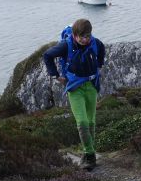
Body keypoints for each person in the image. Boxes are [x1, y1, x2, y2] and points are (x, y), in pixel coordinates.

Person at [42, 19, 106, 170]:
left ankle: (87, 153)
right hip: (75, 87)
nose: (85, 39)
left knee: (91, 122)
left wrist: (99, 66)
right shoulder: (66, 45)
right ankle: (90, 155)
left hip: (91, 86)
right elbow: (47, 55)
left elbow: (102, 50)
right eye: (81, 37)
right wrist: (55, 76)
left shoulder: (95, 42)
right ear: (75, 35)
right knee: (82, 122)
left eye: (87, 36)